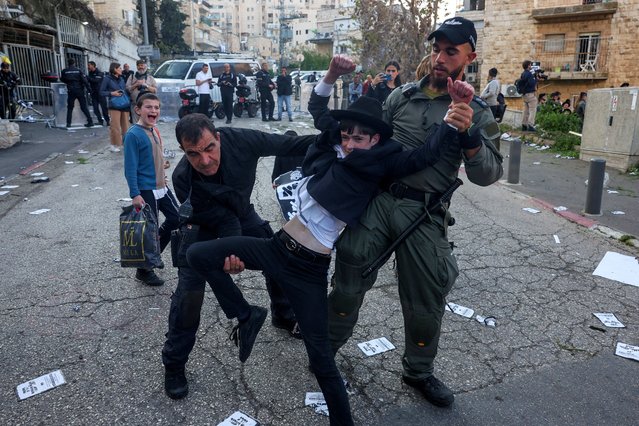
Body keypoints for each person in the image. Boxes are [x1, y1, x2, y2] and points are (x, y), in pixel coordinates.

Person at [184, 54, 476, 426]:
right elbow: (319, 107)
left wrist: (455, 114)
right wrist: (332, 74)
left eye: (360, 137)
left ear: (376, 138)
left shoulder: (384, 162)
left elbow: (427, 154)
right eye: (347, 135)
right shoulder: (332, 146)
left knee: (322, 362)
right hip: (276, 248)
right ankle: (245, 313)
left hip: (309, 269)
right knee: (196, 255)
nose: (351, 142)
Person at [327, 17, 503, 409]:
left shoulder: (476, 110)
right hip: (381, 200)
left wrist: (470, 135)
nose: (440, 58)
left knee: (426, 298)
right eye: (436, 49)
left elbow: (488, 175)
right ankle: (325, 349)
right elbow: (372, 146)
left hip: (425, 212)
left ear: (469, 57)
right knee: (348, 275)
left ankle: (418, 371)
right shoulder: (401, 97)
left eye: (451, 52)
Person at [162, 113, 315, 400]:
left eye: (209, 148)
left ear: (218, 138)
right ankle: (174, 363)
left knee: (279, 256)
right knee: (189, 294)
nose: (205, 161)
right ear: (184, 151)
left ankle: (283, 314)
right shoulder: (182, 178)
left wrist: (337, 142)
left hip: (241, 213)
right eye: (194, 154)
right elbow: (220, 219)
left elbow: (288, 145)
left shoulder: (244, 140)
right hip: (203, 226)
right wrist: (232, 250)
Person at [123, 93, 179, 286]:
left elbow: (155, 155)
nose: (153, 110)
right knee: (149, 231)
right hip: (146, 190)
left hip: (161, 186)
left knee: (177, 218)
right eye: (149, 107)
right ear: (138, 110)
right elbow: (130, 168)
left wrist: (162, 166)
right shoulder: (133, 134)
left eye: (156, 107)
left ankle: (153, 255)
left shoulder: (155, 130)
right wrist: (135, 194)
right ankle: (144, 271)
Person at [100, 62, 130, 152]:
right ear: (114, 69)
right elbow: (101, 92)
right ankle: (114, 144)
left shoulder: (121, 79)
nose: (121, 70)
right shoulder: (107, 79)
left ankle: (126, 144)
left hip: (124, 104)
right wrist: (112, 93)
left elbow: (125, 89)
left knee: (126, 126)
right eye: (119, 68)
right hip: (114, 105)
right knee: (115, 126)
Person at [60, 58, 94, 128]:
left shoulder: (64, 71)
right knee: (84, 107)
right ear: (74, 63)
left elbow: (62, 79)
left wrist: (68, 82)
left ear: (68, 63)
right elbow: (85, 81)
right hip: (79, 91)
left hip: (71, 91)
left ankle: (68, 123)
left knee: (70, 108)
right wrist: (90, 90)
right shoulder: (78, 71)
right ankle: (90, 121)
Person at [87, 61, 109, 126]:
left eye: (89, 65)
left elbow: (96, 81)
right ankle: (100, 121)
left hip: (101, 93)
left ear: (93, 65)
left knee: (104, 108)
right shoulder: (90, 73)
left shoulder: (99, 73)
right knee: (95, 108)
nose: (88, 67)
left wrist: (88, 78)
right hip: (94, 93)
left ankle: (107, 121)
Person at [519, 60, 538, 132]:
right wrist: (536, 79)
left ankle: (524, 124)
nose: (531, 66)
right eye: (530, 65)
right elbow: (532, 83)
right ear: (528, 66)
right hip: (530, 94)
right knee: (532, 110)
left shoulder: (523, 73)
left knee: (526, 110)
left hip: (524, 94)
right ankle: (530, 125)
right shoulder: (529, 74)